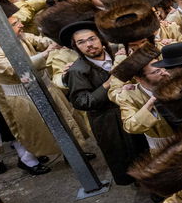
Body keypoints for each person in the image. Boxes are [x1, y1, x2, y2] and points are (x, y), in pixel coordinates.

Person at [61, 18, 143, 184]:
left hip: (135, 109)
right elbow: (82, 102)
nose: (89, 45)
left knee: (144, 147)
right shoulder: (77, 71)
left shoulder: (119, 53)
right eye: (81, 42)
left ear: (101, 39)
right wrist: (108, 84)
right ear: (76, 46)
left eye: (92, 39)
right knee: (125, 156)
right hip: (108, 120)